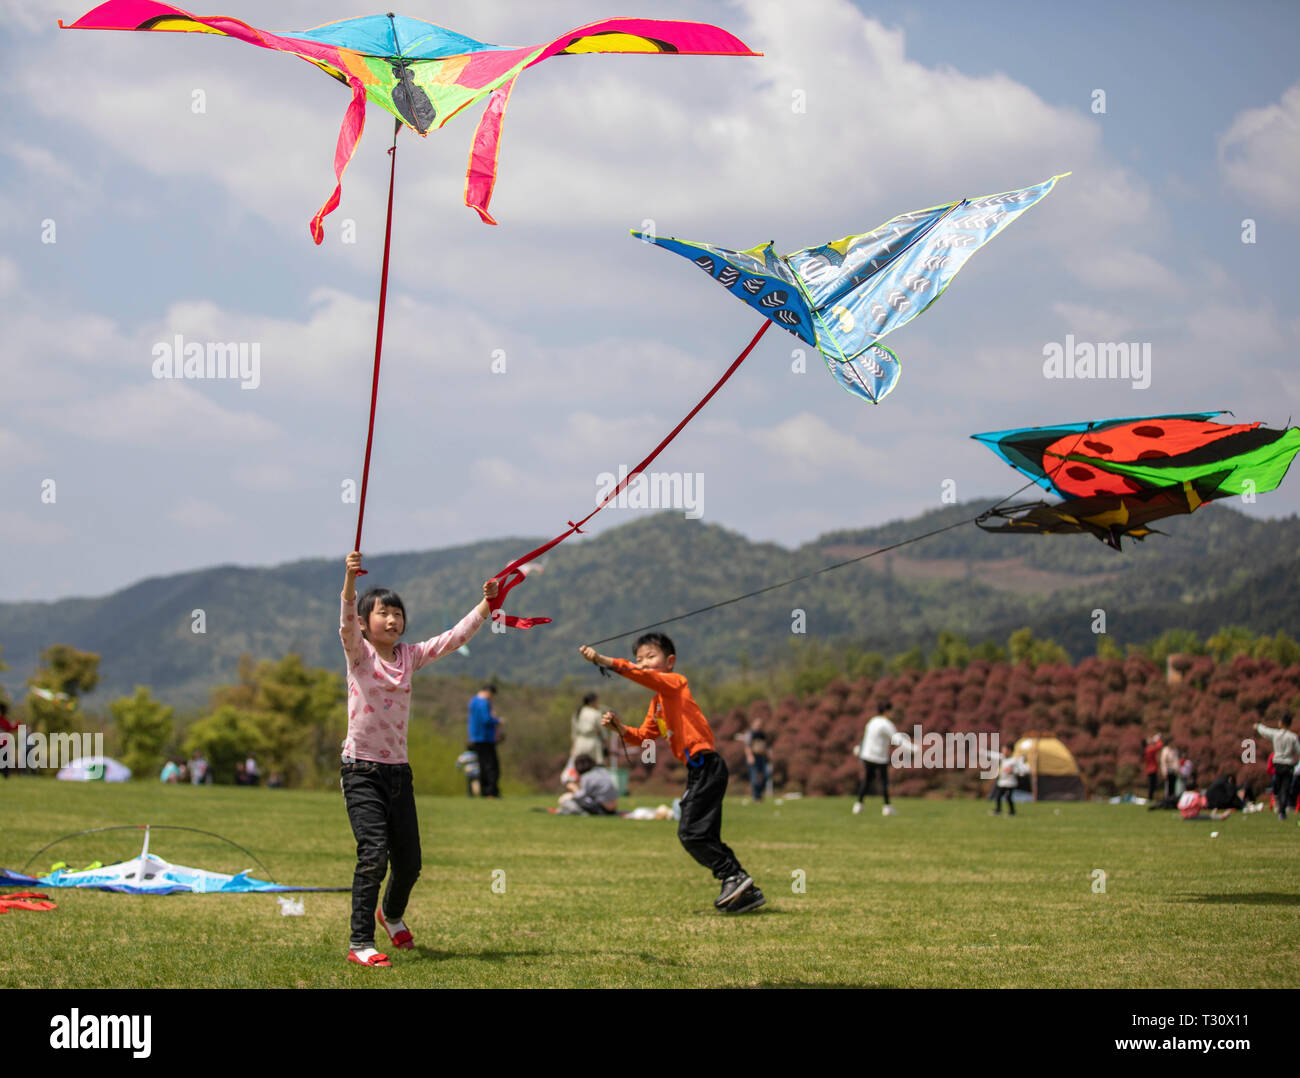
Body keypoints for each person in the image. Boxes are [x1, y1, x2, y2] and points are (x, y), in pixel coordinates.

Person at [340, 550, 497, 967]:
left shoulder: (409, 657)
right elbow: (344, 621)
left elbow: (453, 638)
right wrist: (350, 582)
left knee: (410, 863)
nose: (392, 620)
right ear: (364, 623)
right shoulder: (359, 654)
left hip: (398, 774)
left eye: (397, 613)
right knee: (373, 854)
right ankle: (361, 943)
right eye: (382, 614)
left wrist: (487, 605)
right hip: (361, 770)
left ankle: (390, 915)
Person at [580, 634, 765, 914]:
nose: (643, 664)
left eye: (650, 657)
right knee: (703, 835)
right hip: (699, 770)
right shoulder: (658, 704)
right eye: (639, 659)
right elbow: (644, 737)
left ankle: (734, 877)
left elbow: (643, 678)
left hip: (707, 765)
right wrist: (620, 728)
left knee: (691, 833)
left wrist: (603, 660)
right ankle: (744, 888)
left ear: (670, 662)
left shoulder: (676, 684)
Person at [852, 706, 914, 816]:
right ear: (887, 711)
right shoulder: (886, 724)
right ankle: (887, 807)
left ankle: (858, 805)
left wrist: (860, 749)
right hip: (879, 757)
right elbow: (897, 739)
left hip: (867, 755)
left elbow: (866, 738)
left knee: (866, 780)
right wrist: (912, 748)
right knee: (884, 782)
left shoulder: (872, 721)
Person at [1253, 713, 1297, 821]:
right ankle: (1282, 811)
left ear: (1281, 723)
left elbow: (1266, 731)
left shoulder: (1276, 734)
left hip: (1277, 764)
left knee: (1277, 785)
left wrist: (1258, 726)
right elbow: (1298, 750)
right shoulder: (1293, 737)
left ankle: (1278, 803)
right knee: (1285, 788)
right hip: (1288, 764)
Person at [467, 684, 502, 798]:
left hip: (475, 737)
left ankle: (484, 791)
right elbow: (486, 720)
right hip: (485, 737)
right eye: (492, 696)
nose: (491, 699)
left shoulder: (473, 701)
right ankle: (491, 791)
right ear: (488, 692)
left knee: (482, 765)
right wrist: (497, 720)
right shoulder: (483, 703)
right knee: (492, 765)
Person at [567, 693, 606, 775]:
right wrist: (606, 742)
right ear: (592, 702)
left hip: (579, 743)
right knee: (595, 766)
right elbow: (603, 731)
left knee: (579, 766)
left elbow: (574, 732)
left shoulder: (578, 713)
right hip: (592, 742)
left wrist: (573, 747)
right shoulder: (596, 713)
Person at [988, 742, 1029, 816]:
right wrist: (984, 752)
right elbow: (995, 755)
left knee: (1008, 798)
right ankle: (998, 810)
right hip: (1002, 782)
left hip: (1010, 783)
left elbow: (1023, 771)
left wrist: (1012, 771)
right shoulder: (1003, 758)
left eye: (1005, 750)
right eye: (1002, 750)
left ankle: (1012, 812)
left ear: (1010, 751)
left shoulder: (1014, 760)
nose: (1003, 752)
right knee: (998, 796)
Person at [742, 717, 770, 802]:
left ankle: (759, 794)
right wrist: (750, 756)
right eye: (757, 725)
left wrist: (768, 757)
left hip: (762, 758)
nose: (759, 726)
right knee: (754, 778)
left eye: (760, 725)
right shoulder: (750, 734)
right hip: (753, 757)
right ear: (753, 725)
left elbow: (765, 747)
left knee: (766, 775)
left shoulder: (762, 735)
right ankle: (756, 797)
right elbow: (747, 746)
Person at [1158, 738, 1179, 804]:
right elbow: (1163, 762)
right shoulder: (1165, 750)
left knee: (1173, 786)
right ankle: (1167, 801)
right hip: (1168, 770)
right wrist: (1164, 772)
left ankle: (1172, 800)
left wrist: (1177, 769)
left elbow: (1176, 761)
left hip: (1174, 770)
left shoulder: (1175, 750)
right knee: (1168, 786)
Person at [0, 701, 16, 779]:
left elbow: (10, 728)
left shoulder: (5, 721)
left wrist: (17, 725)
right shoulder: (4, 721)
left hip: (4, 745)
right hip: (3, 745)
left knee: (5, 761)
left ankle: (6, 775)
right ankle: (5, 775)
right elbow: (11, 728)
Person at [1143, 735, 1162, 800]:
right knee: (1152, 784)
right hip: (1152, 769)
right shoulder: (1149, 749)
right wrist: (1157, 739)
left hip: (1151, 769)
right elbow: (1159, 746)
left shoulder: (1148, 749)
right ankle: (1150, 798)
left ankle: (1150, 797)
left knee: (1152, 784)